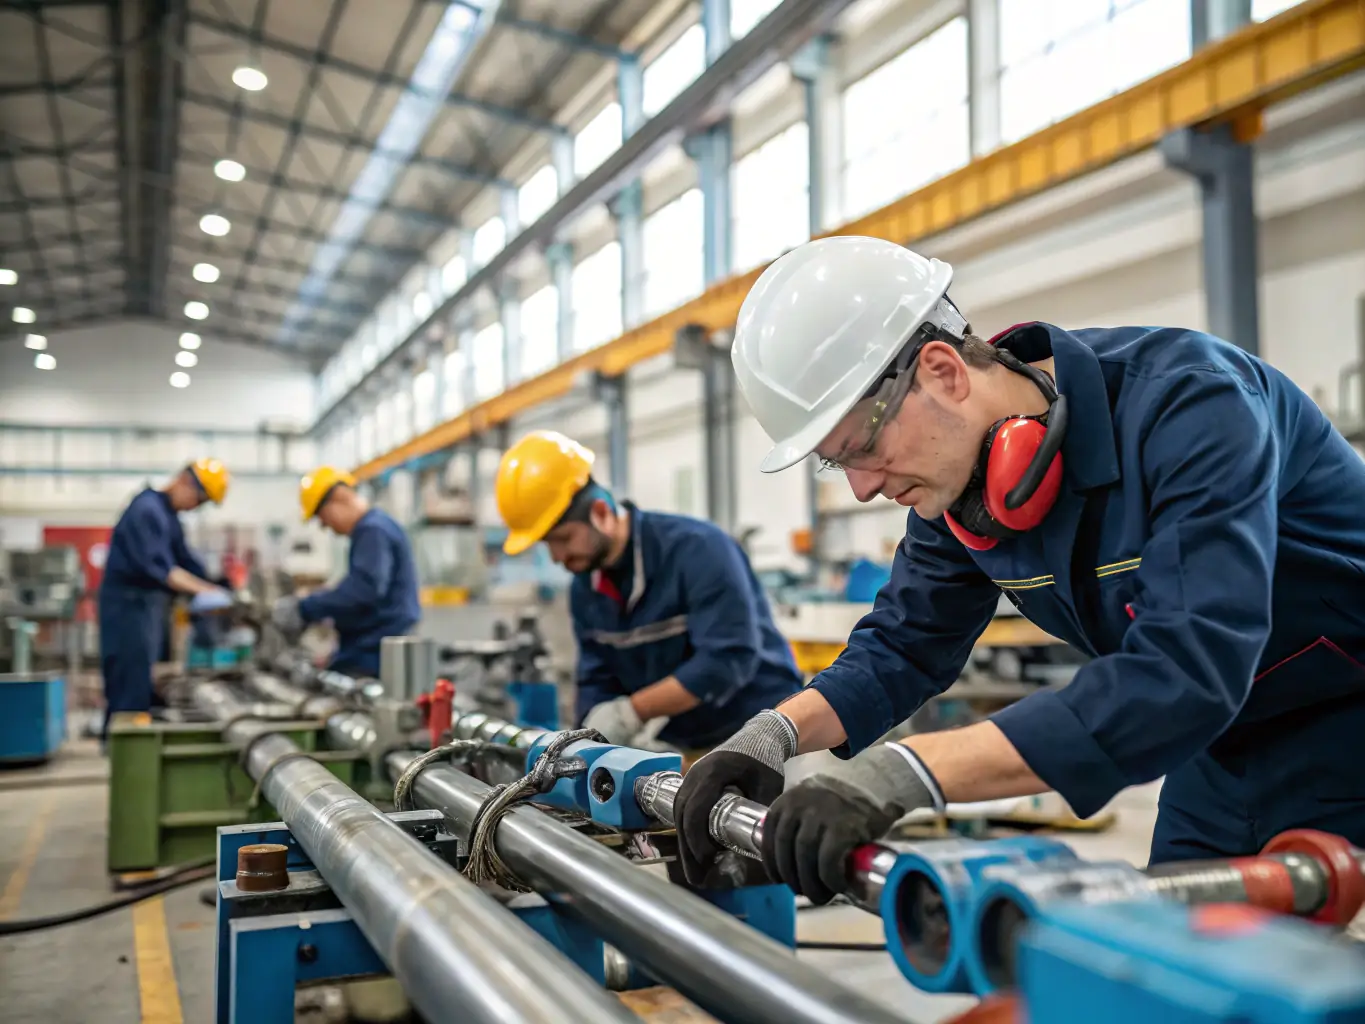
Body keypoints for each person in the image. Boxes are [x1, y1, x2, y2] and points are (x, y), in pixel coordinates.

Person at [673, 234, 1365, 903]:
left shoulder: (1190, 405)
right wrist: (768, 737)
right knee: (1179, 978)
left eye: (860, 447)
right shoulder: (958, 495)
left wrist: (903, 776)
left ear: (942, 372)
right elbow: (902, 646)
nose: (859, 489)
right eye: (837, 462)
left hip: (1344, 716)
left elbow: (1187, 665)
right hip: (1217, 752)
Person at [494, 430, 803, 752]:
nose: (557, 557)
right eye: (548, 545)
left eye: (563, 539)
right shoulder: (586, 589)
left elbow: (726, 660)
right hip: (686, 740)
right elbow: (597, 680)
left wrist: (632, 712)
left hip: (767, 731)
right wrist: (585, 743)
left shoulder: (699, 550)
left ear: (601, 513)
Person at [99, 460, 231, 737]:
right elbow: (163, 570)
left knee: (142, 677)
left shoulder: (168, 517)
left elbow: (186, 560)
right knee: (129, 679)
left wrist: (221, 585)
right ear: (184, 480)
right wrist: (208, 592)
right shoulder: (147, 511)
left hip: (147, 607)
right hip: (127, 606)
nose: (197, 506)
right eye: (200, 498)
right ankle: (125, 751)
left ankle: (133, 741)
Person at [272, 466, 419, 678]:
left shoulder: (372, 530)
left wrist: (307, 607)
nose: (324, 525)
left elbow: (365, 590)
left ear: (339, 499)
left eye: (321, 515)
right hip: (374, 646)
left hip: (375, 652)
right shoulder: (375, 527)